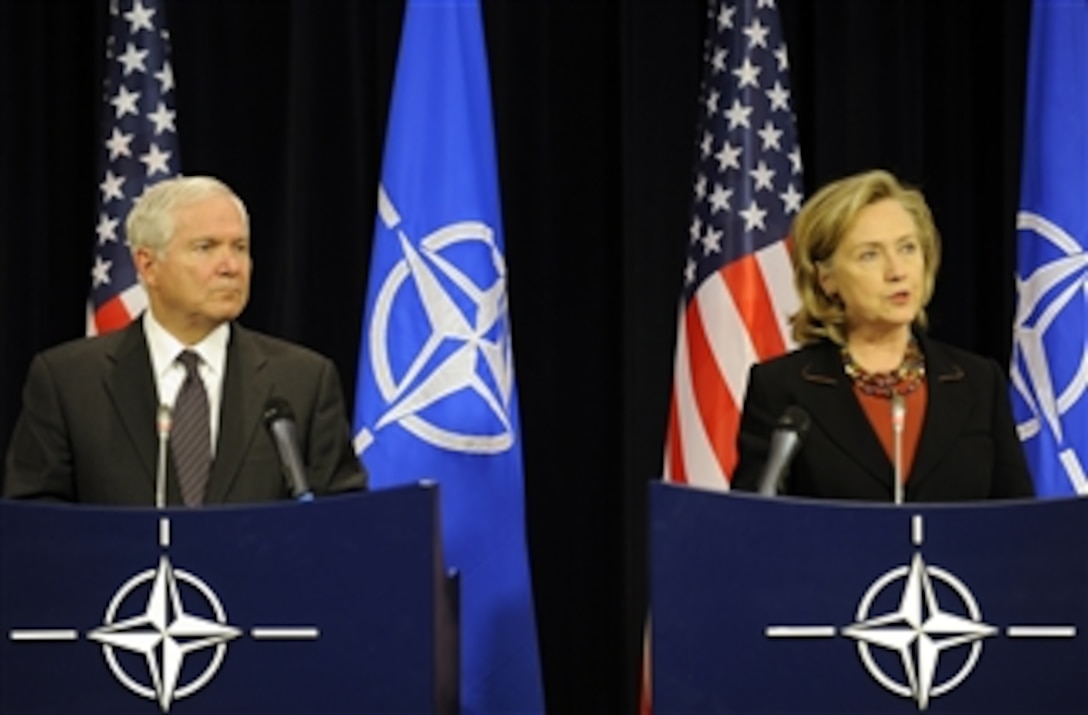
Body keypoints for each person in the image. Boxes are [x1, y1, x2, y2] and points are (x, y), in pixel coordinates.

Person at [3, 176, 367, 504]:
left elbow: (342, 525)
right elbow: (36, 526)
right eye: (206, 247)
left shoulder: (302, 381)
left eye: (239, 247)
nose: (230, 266)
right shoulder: (68, 382)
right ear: (147, 265)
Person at [731, 169, 1034, 501]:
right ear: (826, 279)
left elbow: (1017, 526)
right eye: (870, 255)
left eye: (907, 248)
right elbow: (755, 527)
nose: (897, 271)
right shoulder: (782, 389)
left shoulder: (978, 382)